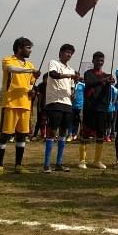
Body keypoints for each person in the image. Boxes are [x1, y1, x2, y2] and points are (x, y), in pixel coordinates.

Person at [0, 37, 40, 175]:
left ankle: (18, 165)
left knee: (22, 135)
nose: (30, 51)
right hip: (11, 103)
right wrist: (30, 71)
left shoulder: (30, 65)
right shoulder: (8, 59)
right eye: (28, 48)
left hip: (26, 104)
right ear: (19, 48)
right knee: (5, 135)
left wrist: (33, 90)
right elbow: (12, 69)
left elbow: (31, 83)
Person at [43, 44, 78, 173]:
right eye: (67, 52)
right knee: (52, 131)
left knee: (63, 132)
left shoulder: (71, 69)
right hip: (55, 102)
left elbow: (72, 85)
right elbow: (52, 75)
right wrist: (69, 76)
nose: (69, 55)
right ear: (61, 52)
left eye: (71, 53)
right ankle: (46, 164)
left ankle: (59, 163)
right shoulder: (54, 63)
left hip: (67, 103)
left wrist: (73, 92)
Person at [82, 51, 114, 169]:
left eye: (102, 60)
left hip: (102, 108)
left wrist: (110, 81)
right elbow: (89, 83)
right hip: (90, 107)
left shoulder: (106, 75)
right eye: (97, 60)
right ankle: (82, 160)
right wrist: (103, 80)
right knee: (85, 133)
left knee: (101, 133)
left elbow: (108, 92)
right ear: (93, 61)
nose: (100, 62)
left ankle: (97, 161)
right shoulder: (88, 73)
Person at [71, 77, 85, 141]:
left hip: (81, 106)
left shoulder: (82, 85)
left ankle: (81, 135)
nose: (76, 78)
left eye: (77, 77)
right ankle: (74, 134)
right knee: (74, 121)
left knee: (81, 121)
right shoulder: (71, 84)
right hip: (73, 106)